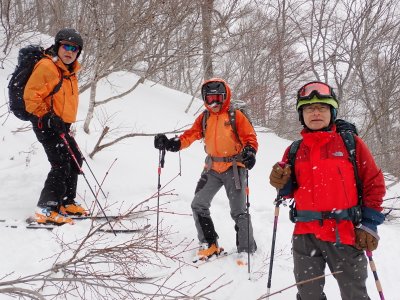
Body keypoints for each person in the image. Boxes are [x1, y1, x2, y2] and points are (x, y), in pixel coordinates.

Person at [269, 81, 386, 300]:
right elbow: (288, 192)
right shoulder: (294, 150)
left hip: (345, 234)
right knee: (308, 294)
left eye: (322, 107)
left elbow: (374, 183)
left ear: (331, 112)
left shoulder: (351, 143)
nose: (315, 112)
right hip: (305, 235)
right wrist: (281, 183)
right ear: (301, 115)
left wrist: (369, 225)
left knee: (354, 294)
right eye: (308, 108)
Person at [154, 78, 258, 259]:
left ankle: (247, 250)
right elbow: (191, 135)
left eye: (218, 98)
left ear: (225, 97)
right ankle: (209, 243)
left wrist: (250, 152)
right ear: (205, 99)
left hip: (234, 168)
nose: (214, 103)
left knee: (239, 211)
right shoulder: (205, 118)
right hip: (212, 168)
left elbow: (250, 138)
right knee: (198, 204)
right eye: (210, 99)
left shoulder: (235, 116)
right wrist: (172, 144)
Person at [24, 28, 87, 225]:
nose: (70, 51)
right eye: (66, 46)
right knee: (60, 163)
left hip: (62, 125)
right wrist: (48, 117)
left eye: (74, 49)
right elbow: (30, 97)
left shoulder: (69, 71)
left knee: (75, 159)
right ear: (58, 46)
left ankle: (66, 202)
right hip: (46, 123)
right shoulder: (47, 67)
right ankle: (46, 208)